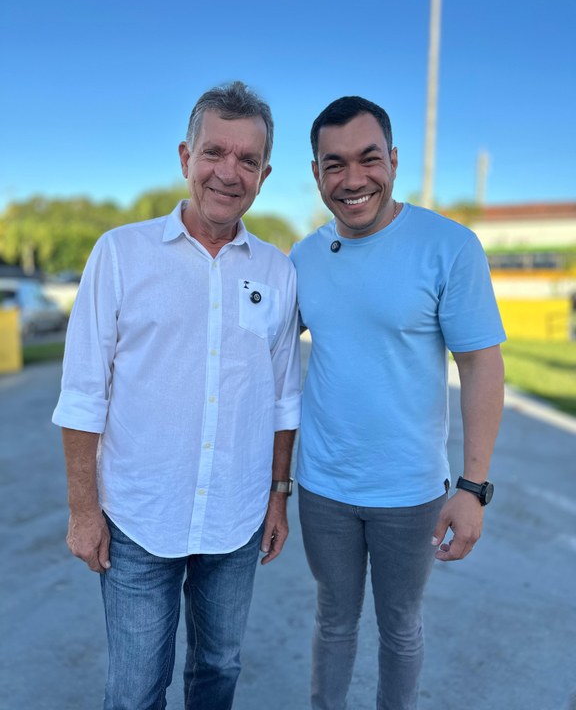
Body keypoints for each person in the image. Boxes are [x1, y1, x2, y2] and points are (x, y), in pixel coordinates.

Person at [52, 80, 301, 710]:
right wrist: (84, 512)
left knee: (218, 670)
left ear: (265, 174)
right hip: (137, 518)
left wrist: (277, 497)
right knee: (135, 689)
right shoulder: (120, 254)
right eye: (214, 152)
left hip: (237, 518)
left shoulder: (276, 271)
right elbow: (83, 393)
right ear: (186, 157)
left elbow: (282, 396)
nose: (229, 172)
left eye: (247, 160)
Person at [290, 95, 506, 710]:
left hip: (411, 492)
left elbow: (482, 365)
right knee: (333, 622)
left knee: (401, 627)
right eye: (334, 164)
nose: (353, 179)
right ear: (316, 173)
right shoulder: (303, 259)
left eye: (369, 158)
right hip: (324, 488)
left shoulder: (448, 246)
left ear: (394, 160)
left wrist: (473, 486)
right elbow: (262, 360)